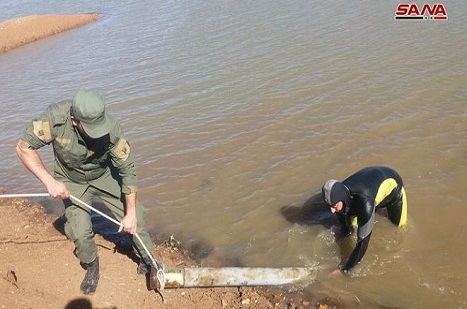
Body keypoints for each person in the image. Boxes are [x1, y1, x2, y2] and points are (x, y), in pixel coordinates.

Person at [16, 89, 155, 295]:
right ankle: (92, 265)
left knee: (138, 218)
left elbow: (128, 170)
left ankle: (147, 258)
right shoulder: (54, 119)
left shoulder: (112, 127)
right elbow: (24, 147)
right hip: (71, 179)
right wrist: (50, 182)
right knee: (80, 232)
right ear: (74, 120)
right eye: (90, 128)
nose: (97, 132)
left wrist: (131, 212)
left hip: (104, 174)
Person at [321, 166, 407, 277]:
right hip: (368, 182)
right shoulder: (338, 197)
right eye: (329, 206)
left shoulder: (365, 204)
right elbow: (346, 230)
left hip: (393, 187)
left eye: (334, 206)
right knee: (350, 227)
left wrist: (344, 270)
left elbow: (362, 244)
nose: (331, 211)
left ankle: (382, 204)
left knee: (399, 229)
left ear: (342, 199)